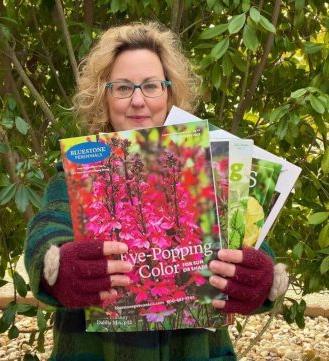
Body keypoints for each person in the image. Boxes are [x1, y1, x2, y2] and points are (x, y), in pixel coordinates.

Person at [25, 22, 288, 361]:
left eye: (151, 86)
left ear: (169, 93)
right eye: (122, 87)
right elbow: (47, 228)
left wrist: (259, 276)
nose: (137, 100)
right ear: (103, 97)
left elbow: (250, 237)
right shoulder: (76, 175)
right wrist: (57, 265)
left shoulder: (212, 167)